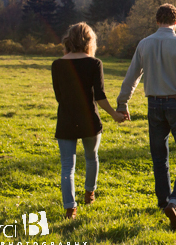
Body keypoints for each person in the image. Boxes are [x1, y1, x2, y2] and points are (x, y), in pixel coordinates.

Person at [116, 4, 176, 231]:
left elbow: (132, 76)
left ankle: (164, 201)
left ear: (157, 21)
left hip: (153, 104)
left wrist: (123, 102)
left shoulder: (144, 44)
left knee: (159, 156)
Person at [52, 22, 126, 219]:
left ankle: (70, 208)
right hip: (89, 120)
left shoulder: (57, 64)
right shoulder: (95, 63)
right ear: (89, 41)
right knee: (91, 157)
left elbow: (59, 96)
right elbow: (100, 97)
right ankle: (89, 193)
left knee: (67, 165)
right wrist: (114, 114)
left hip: (66, 119)